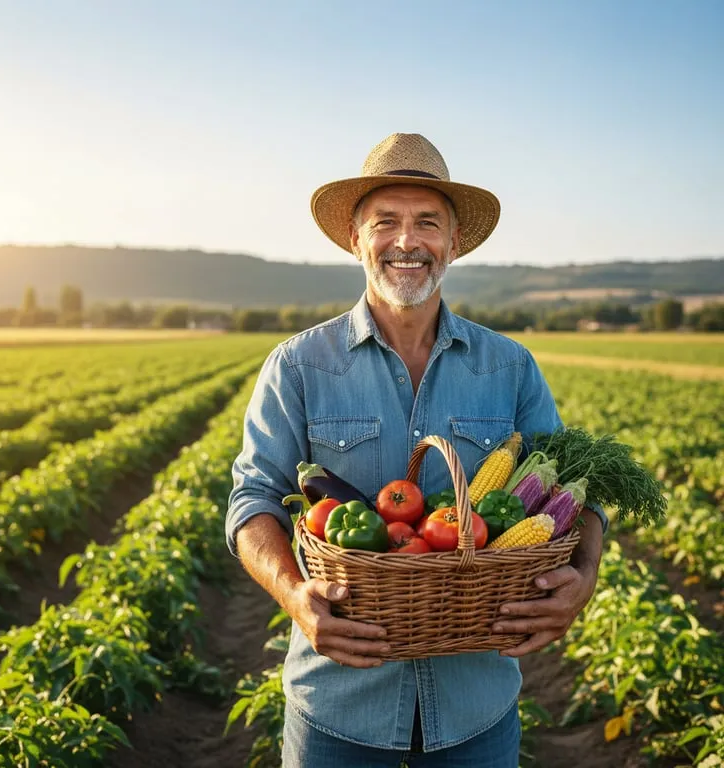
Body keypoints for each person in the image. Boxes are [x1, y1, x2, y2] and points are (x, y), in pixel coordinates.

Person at [225, 133, 606, 767]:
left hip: (475, 708)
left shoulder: (508, 366)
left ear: (454, 243)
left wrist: (584, 578)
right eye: (387, 223)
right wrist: (295, 595)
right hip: (339, 705)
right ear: (356, 238)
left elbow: (580, 488)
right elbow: (253, 499)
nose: (407, 241)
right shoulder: (297, 365)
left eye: (427, 222)